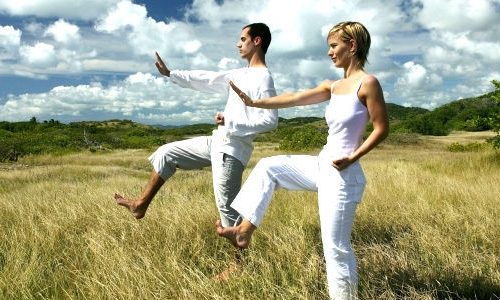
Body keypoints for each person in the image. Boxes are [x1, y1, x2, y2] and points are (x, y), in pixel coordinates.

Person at [216, 21, 389, 299]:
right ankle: (244, 230)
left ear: (352, 45)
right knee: (268, 167)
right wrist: (254, 103)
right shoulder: (333, 86)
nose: (330, 52)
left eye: (334, 46)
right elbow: (294, 98)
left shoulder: (367, 83)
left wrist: (353, 157)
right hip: (322, 165)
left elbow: (382, 128)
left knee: (336, 249)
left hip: (343, 174)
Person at [114, 23, 278, 231]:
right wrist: (171, 74)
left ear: (257, 41)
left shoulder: (263, 77)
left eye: (243, 40)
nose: (238, 44)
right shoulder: (240, 74)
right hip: (217, 141)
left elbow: (270, 120)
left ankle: (240, 262)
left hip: (232, 150)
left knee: (226, 207)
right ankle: (140, 205)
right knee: (166, 154)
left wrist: (230, 121)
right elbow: (207, 79)